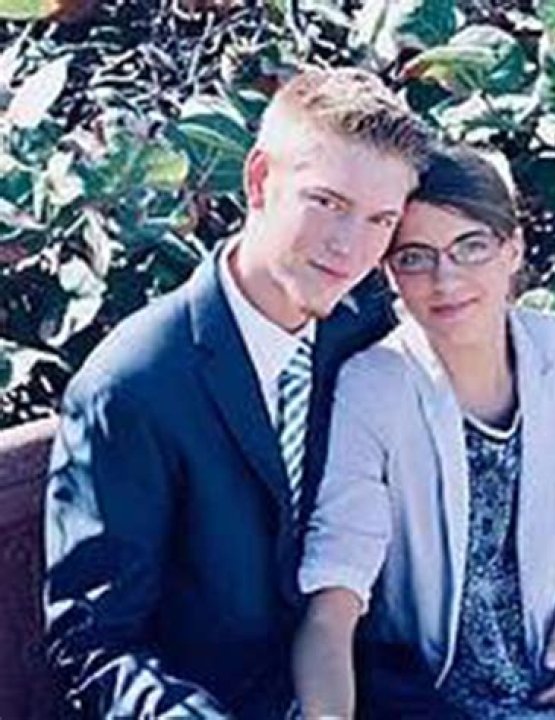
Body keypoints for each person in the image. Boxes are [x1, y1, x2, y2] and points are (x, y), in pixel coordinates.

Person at [43, 67, 427, 718]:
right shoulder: (131, 387)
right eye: (326, 202)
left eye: (379, 220)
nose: (349, 246)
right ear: (258, 180)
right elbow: (96, 645)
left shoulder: (364, 330)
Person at [293, 144, 555, 720]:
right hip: (436, 699)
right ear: (389, 273)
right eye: (415, 257)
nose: (446, 279)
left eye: (471, 246)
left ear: (513, 248)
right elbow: (335, 592)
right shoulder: (374, 384)